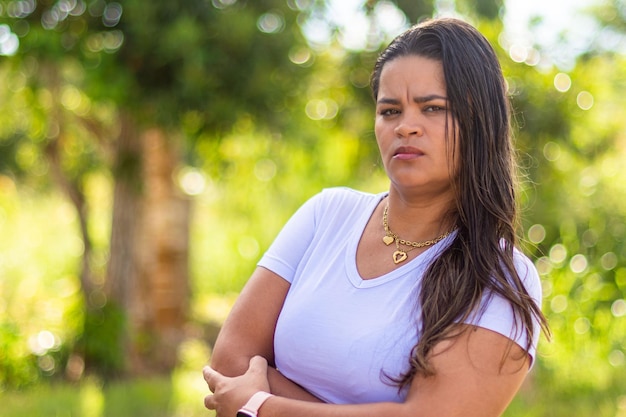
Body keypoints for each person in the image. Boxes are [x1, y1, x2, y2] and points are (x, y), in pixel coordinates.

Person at [203, 17, 549, 417]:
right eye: (389, 111)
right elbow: (230, 362)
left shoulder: (499, 277)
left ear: (479, 122)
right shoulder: (327, 215)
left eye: (432, 108)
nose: (406, 127)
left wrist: (262, 405)